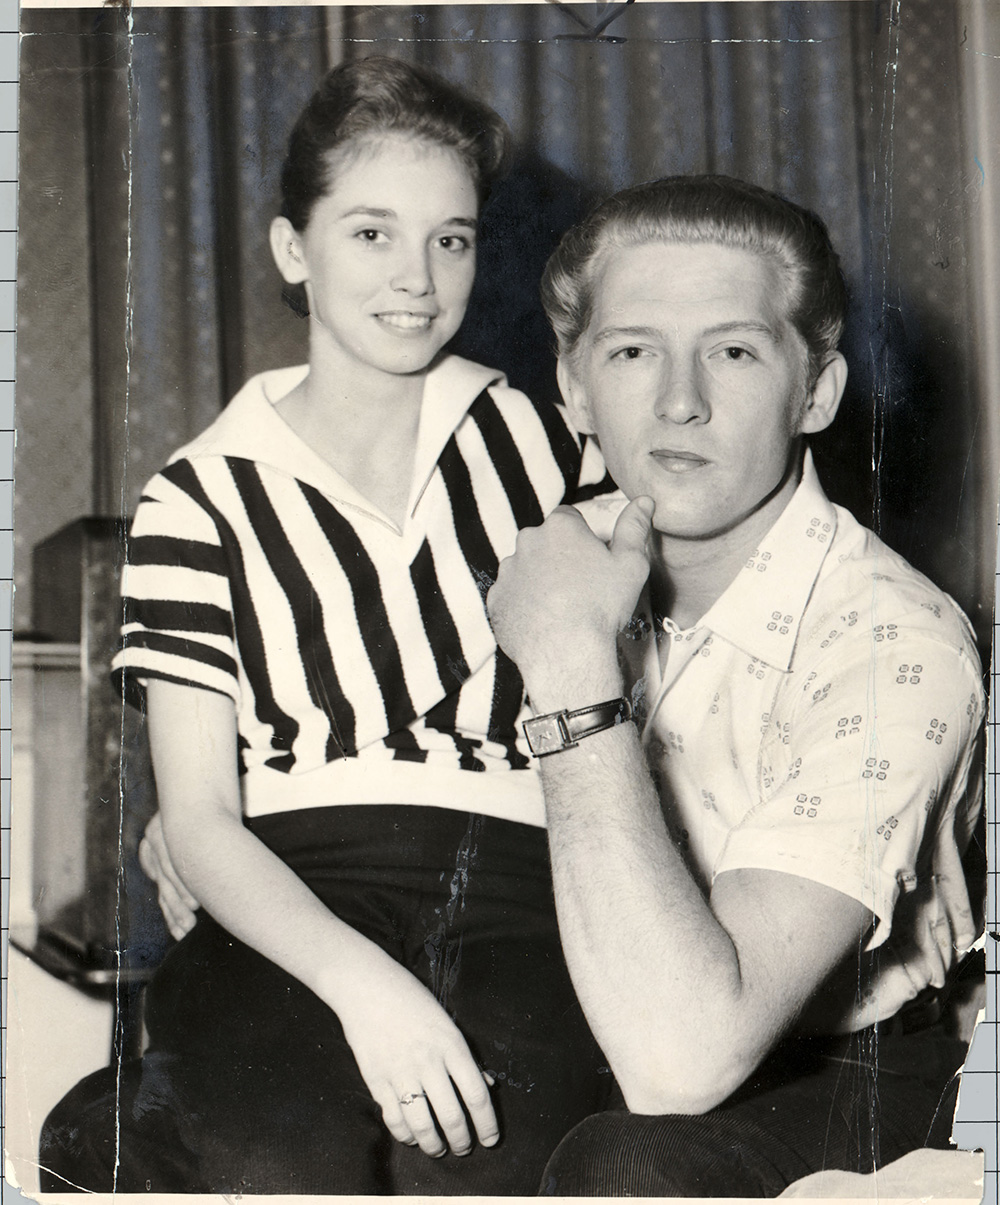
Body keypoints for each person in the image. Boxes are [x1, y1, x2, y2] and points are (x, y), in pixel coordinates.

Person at [38, 57, 611, 1196]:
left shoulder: (545, 445)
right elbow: (200, 822)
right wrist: (371, 989)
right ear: (291, 249)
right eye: (370, 233)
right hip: (287, 897)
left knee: (488, 1169)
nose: (416, 277)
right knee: (273, 1158)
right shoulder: (198, 494)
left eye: (449, 238)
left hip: (524, 889)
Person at [486, 175, 986, 1197]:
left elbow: (679, 1059)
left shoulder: (896, 638)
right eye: (632, 351)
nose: (680, 398)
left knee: (620, 1168)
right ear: (574, 391)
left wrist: (574, 673)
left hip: (840, 1071)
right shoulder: (555, 561)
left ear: (817, 392)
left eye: (733, 349)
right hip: (588, 1016)